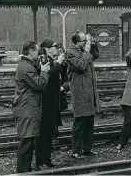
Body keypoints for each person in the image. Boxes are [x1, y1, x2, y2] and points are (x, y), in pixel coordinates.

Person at [12, 41, 50, 173]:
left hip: (27, 107)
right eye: (37, 50)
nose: (39, 52)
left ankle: (26, 169)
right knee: (27, 142)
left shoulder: (25, 65)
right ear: (31, 51)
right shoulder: (26, 68)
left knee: (28, 141)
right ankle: (23, 171)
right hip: (27, 108)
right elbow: (39, 84)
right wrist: (44, 72)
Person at [66, 31, 100, 159]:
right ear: (76, 42)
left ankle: (86, 149)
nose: (85, 43)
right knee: (79, 123)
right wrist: (86, 50)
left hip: (89, 92)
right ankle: (75, 151)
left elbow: (95, 56)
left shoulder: (83, 50)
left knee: (89, 122)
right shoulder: (70, 53)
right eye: (83, 41)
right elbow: (81, 65)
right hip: (80, 93)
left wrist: (93, 44)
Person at [35, 39, 66, 169]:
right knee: (43, 132)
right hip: (45, 101)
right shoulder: (43, 60)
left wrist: (61, 63)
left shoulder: (50, 59)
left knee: (49, 132)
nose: (56, 48)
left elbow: (58, 73)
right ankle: (40, 161)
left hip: (52, 100)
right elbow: (48, 73)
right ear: (47, 48)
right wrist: (58, 63)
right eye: (54, 46)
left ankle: (46, 159)